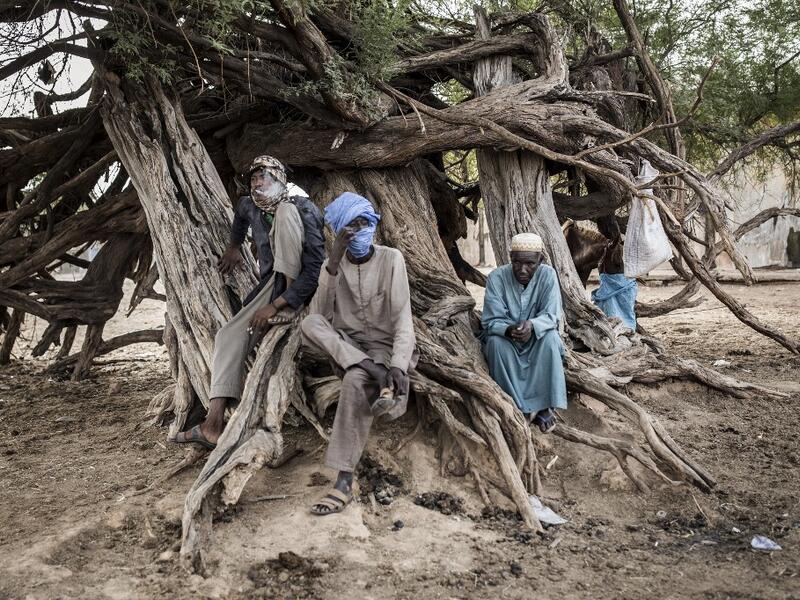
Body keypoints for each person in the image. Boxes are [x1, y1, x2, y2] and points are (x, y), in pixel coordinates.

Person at [173, 156, 325, 449]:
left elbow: (315, 268)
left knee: (285, 213)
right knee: (228, 335)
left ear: (280, 179)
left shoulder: (302, 209)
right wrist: (233, 247)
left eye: (264, 177)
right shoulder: (250, 205)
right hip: (270, 284)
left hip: (299, 287)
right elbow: (240, 220)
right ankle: (213, 424)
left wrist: (280, 303)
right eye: (254, 179)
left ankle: (289, 309)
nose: (257, 183)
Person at [301, 192, 416, 516]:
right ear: (339, 233)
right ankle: (376, 377)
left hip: (382, 349)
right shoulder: (332, 266)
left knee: (354, 380)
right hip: (348, 346)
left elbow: (403, 321)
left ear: (375, 226)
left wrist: (397, 365)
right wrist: (334, 262)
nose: (360, 231)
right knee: (310, 323)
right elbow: (320, 314)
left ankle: (343, 481)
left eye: (366, 223)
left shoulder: (391, 259)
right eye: (351, 227)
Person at [481, 233, 567, 433]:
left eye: (530, 263)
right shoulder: (497, 277)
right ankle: (517, 407)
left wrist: (533, 325)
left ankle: (544, 406)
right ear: (510, 258)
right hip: (507, 339)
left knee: (551, 339)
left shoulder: (548, 275)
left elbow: (552, 315)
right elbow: (490, 320)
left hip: (537, 337)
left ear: (540, 260)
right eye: (516, 262)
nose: (522, 269)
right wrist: (508, 329)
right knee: (494, 344)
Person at [591, 236, 637, 330]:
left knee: (609, 312)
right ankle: (627, 327)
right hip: (625, 285)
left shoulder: (607, 255)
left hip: (610, 288)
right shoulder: (623, 255)